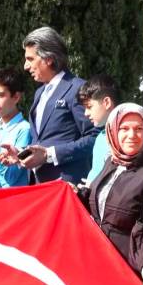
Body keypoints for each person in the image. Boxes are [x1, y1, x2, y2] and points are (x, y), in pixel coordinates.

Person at [78, 103, 143, 285]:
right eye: (124, 129)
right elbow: (99, 204)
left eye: (138, 129)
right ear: (113, 131)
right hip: (101, 267)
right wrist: (74, 195)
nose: (132, 135)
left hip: (134, 270)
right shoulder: (111, 163)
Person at [17, 26, 99, 183]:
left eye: (30, 59)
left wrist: (50, 154)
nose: (26, 66)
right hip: (40, 186)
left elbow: (95, 137)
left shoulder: (77, 88)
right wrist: (21, 154)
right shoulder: (39, 93)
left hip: (67, 188)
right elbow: (43, 141)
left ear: (49, 59)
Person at [0, 67, 30, 187]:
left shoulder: (24, 129)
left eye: (0, 95)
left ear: (16, 97)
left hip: (15, 201)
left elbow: (11, 177)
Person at [77, 74, 118, 185]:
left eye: (89, 106)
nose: (85, 113)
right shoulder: (101, 137)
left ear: (107, 103)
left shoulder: (127, 139)